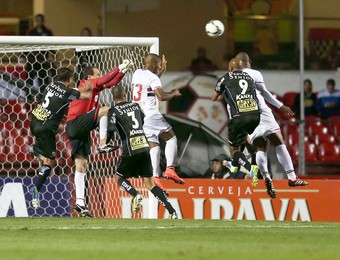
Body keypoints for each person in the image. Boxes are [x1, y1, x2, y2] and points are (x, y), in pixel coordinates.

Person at [233, 52, 309, 197]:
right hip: (261, 110)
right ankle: (292, 178)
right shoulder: (254, 73)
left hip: (245, 114)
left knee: (259, 147)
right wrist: (281, 106)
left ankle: (266, 175)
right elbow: (265, 93)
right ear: (249, 61)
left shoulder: (231, 79)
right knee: (278, 142)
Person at [65, 59, 133, 217]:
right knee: (105, 110)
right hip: (75, 123)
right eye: (97, 74)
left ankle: (80, 202)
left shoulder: (95, 87)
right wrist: (120, 66)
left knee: (81, 164)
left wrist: (123, 71)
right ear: (89, 77)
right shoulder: (86, 84)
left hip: (80, 129)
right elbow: (105, 79)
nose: (100, 77)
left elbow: (111, 81)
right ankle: (103, 144)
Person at [107, 85, 178, 219]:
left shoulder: (113, 110)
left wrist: (106, 142)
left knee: (119, 178)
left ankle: (135, 195)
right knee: (150, 184)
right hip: (144, 147)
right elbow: (143, 120)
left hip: (130, 149)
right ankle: (171, 211)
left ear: (113, 97)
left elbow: (110, 129)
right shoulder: (136, 106)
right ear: (125, 94)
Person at [28, 67, 92, 209]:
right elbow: (87, 96)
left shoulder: (50, 85)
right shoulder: (69, 92)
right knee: (49, 164)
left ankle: (35, 148)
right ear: (69, 80)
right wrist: (93, 85)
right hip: (46, 129)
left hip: (34, 121)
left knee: (52, 137)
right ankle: (35, 191)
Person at [131, 53, 184, 196]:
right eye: (159, 65)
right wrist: (173, 93)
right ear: (154, 65)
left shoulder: (137, 73)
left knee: (153, 145)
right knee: (171, 138)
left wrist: (162, 71)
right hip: (151, 114)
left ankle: (155, 176)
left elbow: (150, 83)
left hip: (140, 117)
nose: (159, 67)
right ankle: (170, 169)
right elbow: (161, 96)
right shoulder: (153, 77)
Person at [212, 62, 261, 187]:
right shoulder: (249, 77)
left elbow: (214, 97)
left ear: (230, 68)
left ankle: (250, 169)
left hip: (239, 118)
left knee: (234, 149)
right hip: (256, 116)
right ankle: (235, 165)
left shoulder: (226, 77)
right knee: (246, 140)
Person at [26, 14, 55, 93]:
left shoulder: (47, 32)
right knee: (29, 82)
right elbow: (26, 45)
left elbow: (51, 45)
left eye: (40, 21)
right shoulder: (31, 32)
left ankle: (42, 99)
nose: (39, 22)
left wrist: (53, 55)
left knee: (43, 82)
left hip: (43, 61)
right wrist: (25, 56)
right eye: (37, 21)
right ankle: (28, 100)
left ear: (43, 21)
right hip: (32, 61)